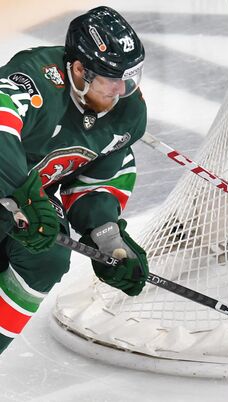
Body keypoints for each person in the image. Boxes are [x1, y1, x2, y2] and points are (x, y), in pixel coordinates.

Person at [0, 6, 149, 354]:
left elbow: (101, 174)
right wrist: (23, 196)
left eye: (128, 77)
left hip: (19, 201)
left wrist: (106, 235)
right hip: (11, 189)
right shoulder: (36, 76)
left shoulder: (128, 112)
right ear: (79, 70)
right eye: (110, 79)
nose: (120, 89)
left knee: (49, 253)